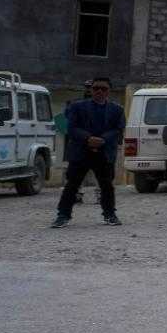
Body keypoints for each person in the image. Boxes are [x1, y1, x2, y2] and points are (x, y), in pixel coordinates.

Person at [51, 76, 124, 228]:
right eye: (96, 88)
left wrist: (102, 140)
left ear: (109, 91)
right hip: (81, 152)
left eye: (103, 88)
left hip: (104, 153)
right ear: (91, 90)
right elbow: (70, 128)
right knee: (72, 185)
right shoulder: (76, 107)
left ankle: (110, 215)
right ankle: (63, 216)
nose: (99, 91)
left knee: (107, 186)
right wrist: (88, 138)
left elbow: (118, 129)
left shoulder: (117, 110)